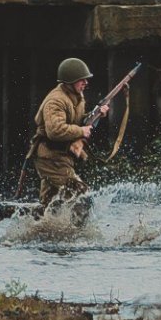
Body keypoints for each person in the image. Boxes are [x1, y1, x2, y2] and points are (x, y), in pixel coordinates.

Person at [29, 57, 108, 220]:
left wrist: (97, 114)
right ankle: (79, 236)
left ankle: (3, 213)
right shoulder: (56, 100)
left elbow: (76, 121)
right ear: (69, 81)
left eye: (86, 79)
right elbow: (55, 130)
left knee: (49, 207)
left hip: (61, 157)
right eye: (81, 80)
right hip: (50, 158)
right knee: (82, 195)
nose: (86, 83)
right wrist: (81, 131)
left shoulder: (76, 96)